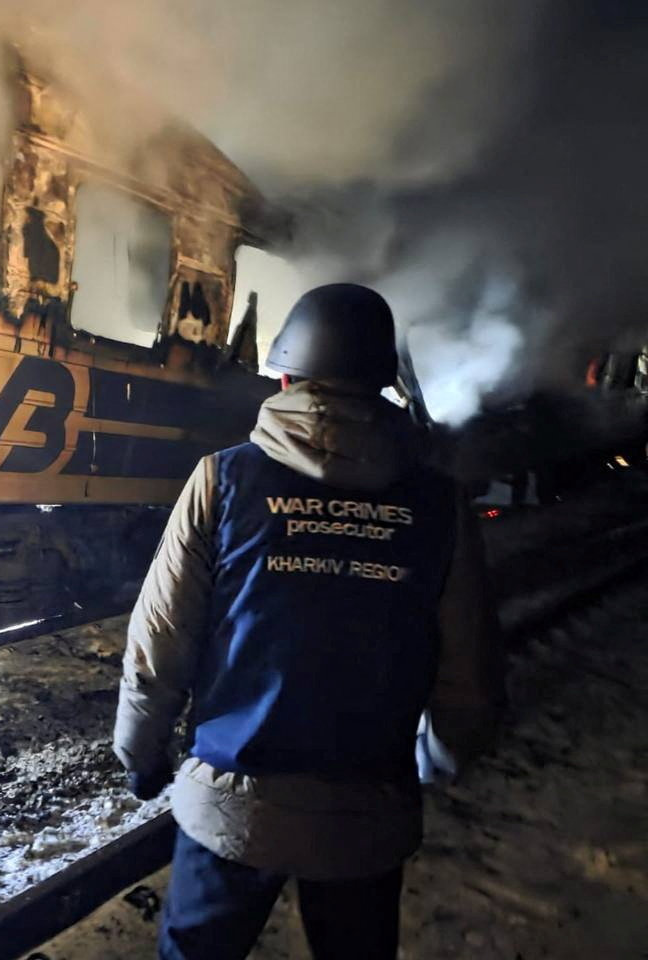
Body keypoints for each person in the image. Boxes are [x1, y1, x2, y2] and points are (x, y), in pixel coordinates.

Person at [114, 283, 504, 960]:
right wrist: (435, 760)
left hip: (233, 804)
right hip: (368, 809)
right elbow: (467, 668)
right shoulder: (441, 505)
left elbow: (159, 649)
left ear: (287, 375)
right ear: (384, 385)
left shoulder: (223, 481)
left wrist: (142, 755)